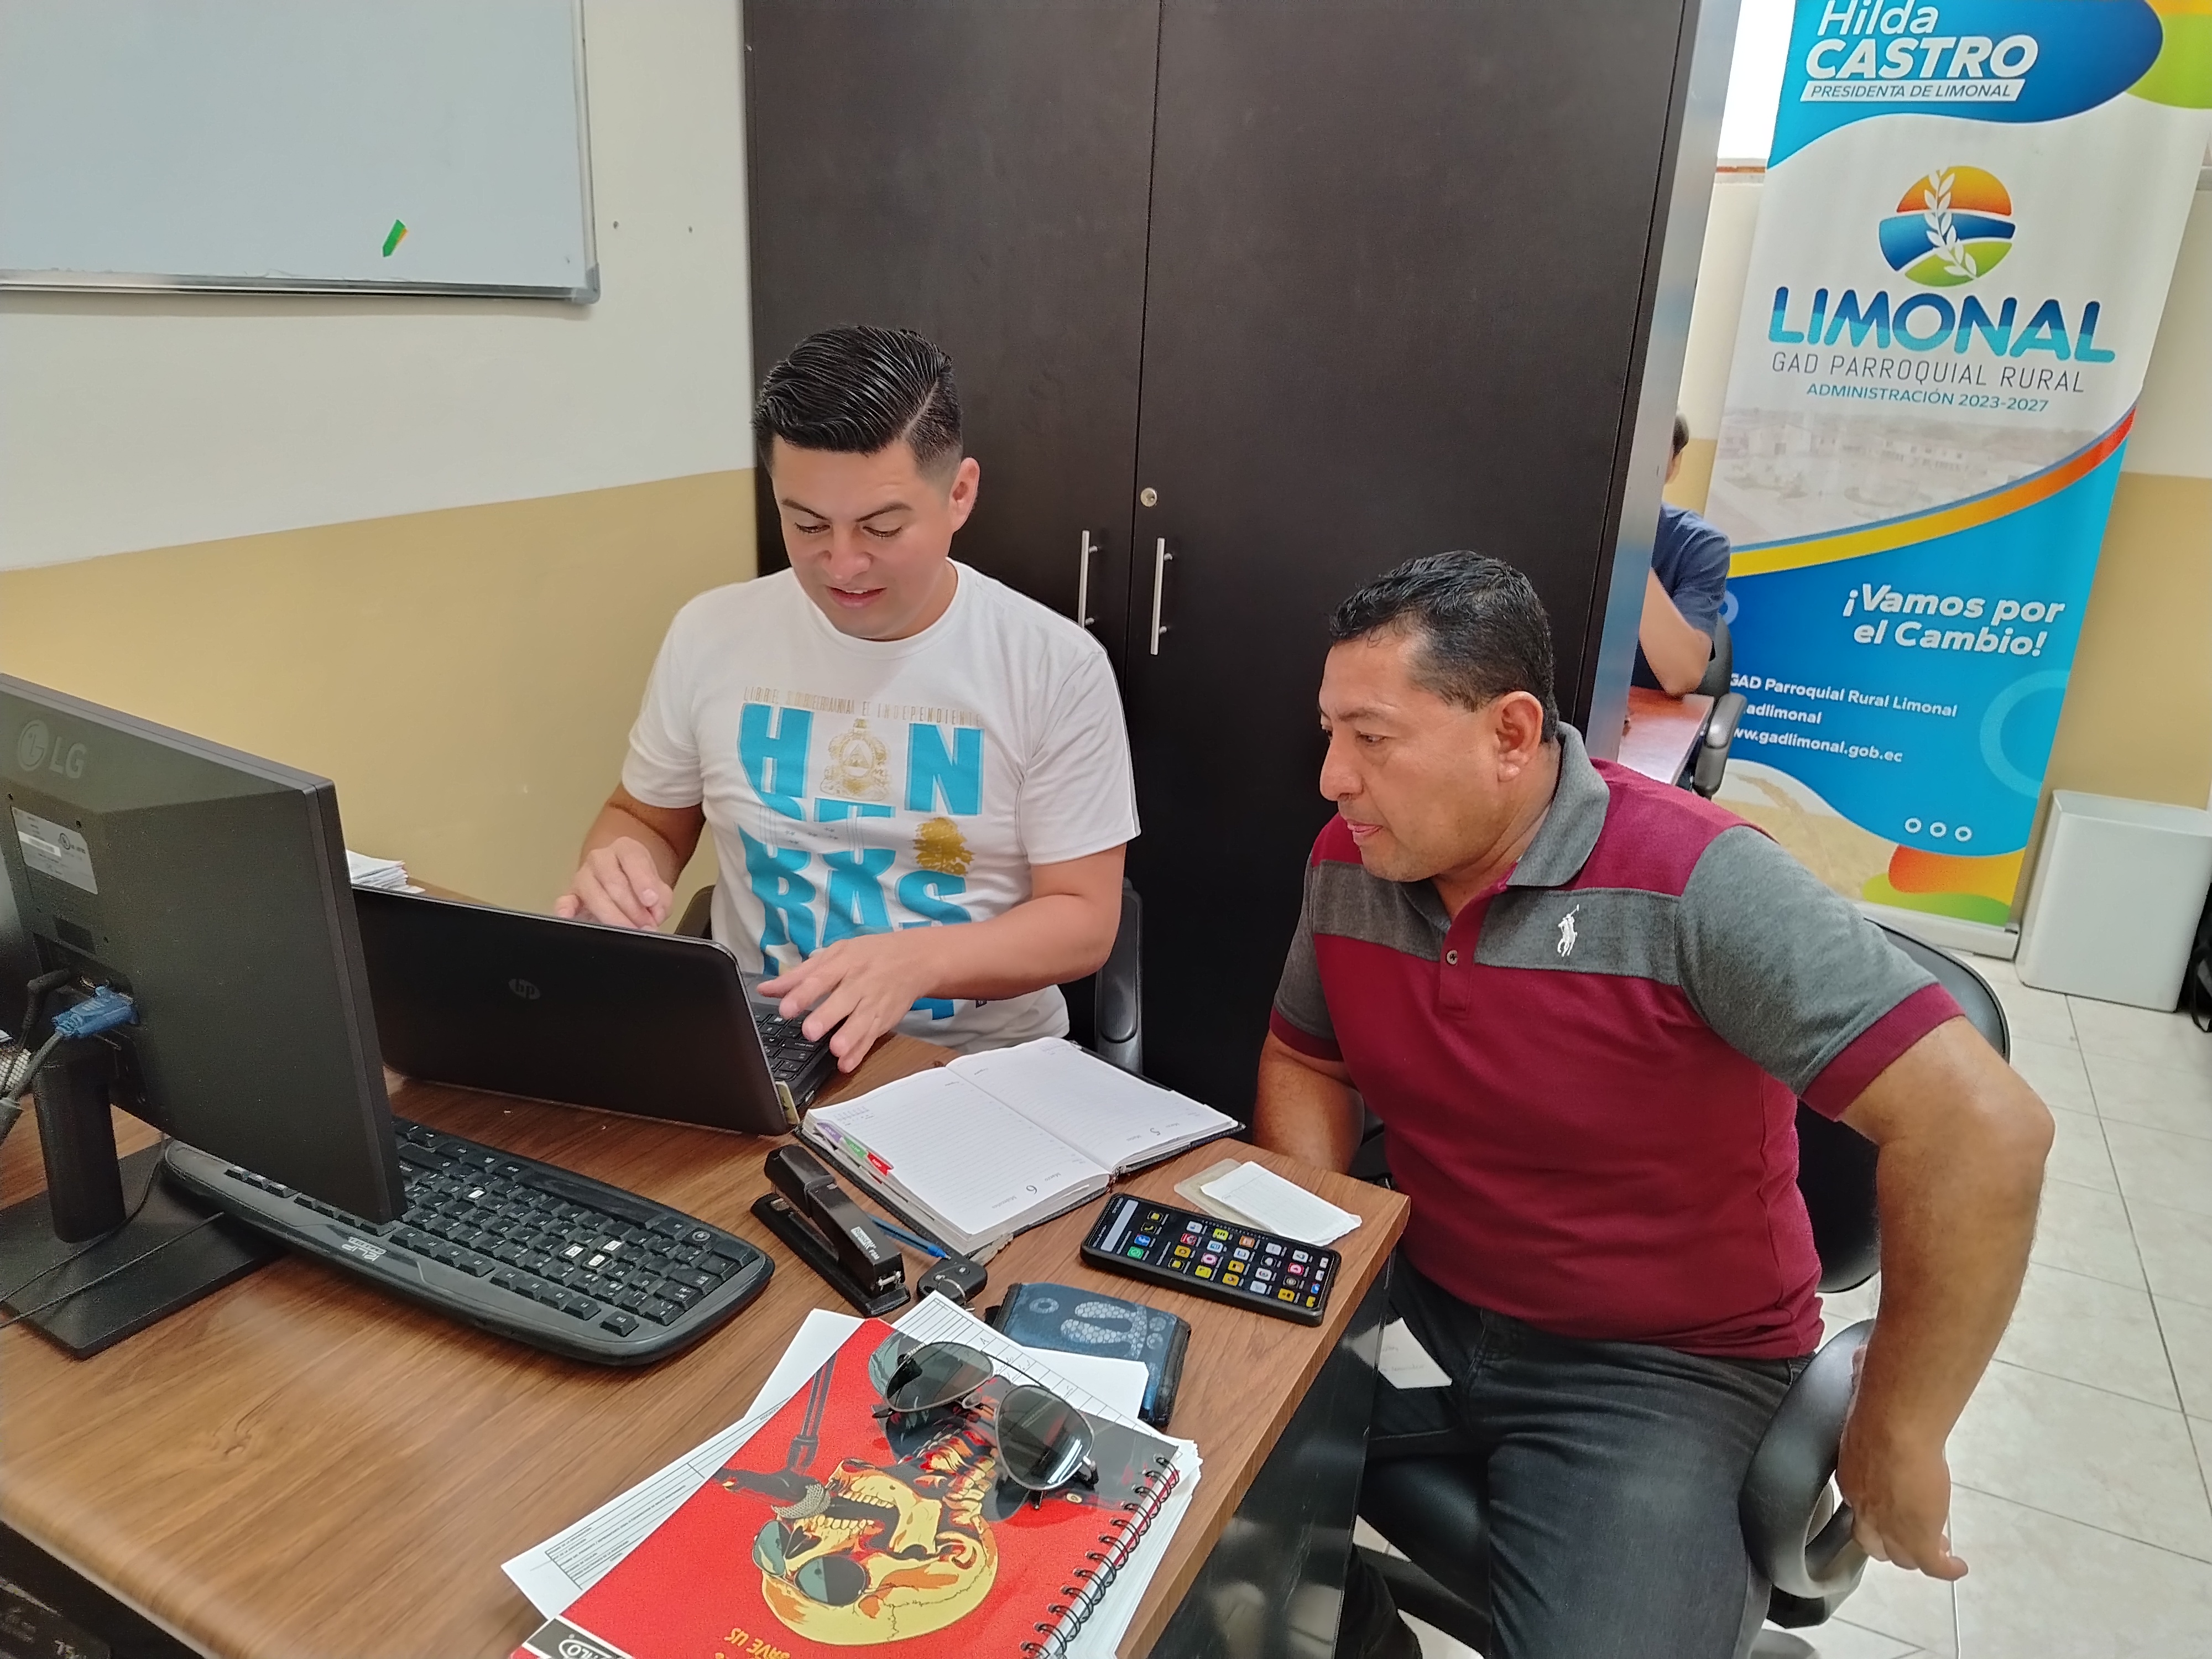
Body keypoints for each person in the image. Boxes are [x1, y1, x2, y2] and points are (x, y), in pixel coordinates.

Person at [1254, 553, 2052, 1659]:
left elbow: (1981, 1130)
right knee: (1189, 1490)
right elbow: (1307, 1062)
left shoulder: (1697, 882)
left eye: (1372, 738)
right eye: (1330, 732)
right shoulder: (1352, 862)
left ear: (1510, 734)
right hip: (1430, 1295)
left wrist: (1899, 1431)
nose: (1333, 777)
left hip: (1661, 1368)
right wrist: (1326, 1258)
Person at [557, 325, 1138, 1069]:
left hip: (975, 1061)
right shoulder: (711, 633)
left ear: (959, 494)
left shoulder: (1052, 666)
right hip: (762, 1044)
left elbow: (1084, 920)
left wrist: (919, 961)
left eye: (881, 528)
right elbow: (646, 819)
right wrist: (622, 870)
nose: (841, 564)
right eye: (806, 525)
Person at [1636, 413, 1732, 695]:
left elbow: (1681, 676)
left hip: (1645, 712)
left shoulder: (1701, 544)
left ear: (1674, 464)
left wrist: (1626, 545)